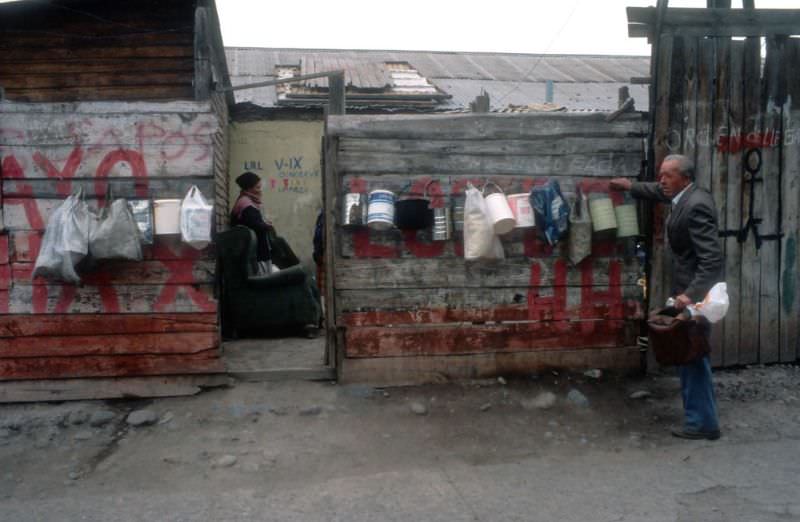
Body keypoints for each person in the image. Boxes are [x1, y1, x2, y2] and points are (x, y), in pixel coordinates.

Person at [610, 154, 723, 441]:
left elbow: (711, 261)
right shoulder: (685, 194)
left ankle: (703, 424)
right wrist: (629, 186)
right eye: (661, 174)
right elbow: (657, 191)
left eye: (668, 175)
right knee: (689, 352)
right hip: (688, 290)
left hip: (695, 293)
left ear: (685, 178)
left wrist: (688, 296)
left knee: (693, 354)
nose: (662, 181)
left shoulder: (697, 206)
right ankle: (700, 418)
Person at [231, 171, 274, 273]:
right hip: (255, 255)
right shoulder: (246, 203)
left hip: (256, 253)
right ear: (248, 188)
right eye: (257, 187)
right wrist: (266, 226)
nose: (260, 190)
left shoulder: (247, 201)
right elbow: (255, 225)